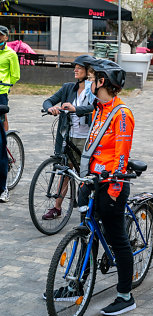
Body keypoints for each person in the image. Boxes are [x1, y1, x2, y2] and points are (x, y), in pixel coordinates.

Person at [45, 59, 136, 315]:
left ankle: (125, 296)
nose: (89, 82)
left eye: (93, 78)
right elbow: (90, 138)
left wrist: (114, 189)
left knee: (118, 240)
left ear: (102, 82)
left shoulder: (121, 114)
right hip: (92, 181)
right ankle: (76, 286)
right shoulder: (99, 108)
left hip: (111, 186)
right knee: (87, 233)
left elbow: (121, 157)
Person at [41, 55, 96, 219]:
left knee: (87, 176)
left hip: (88, 138)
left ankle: (88, 206)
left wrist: (75, 109)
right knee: (65, 172)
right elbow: (48, 101)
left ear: (88, 71)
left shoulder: (93, 90)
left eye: (79, 67)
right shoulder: (68, 88)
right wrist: (51, 108)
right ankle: (57, 208)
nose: (75, 70)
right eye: (75, 67)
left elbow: (95, 107)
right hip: (68, 137)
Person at [0, 25, 20, 203]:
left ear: (6, 38)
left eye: (0, 36)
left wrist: (6, 84)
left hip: (1, 92)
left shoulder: (10, 54)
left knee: (2, 119)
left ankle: (4, 138)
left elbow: (15, 75)